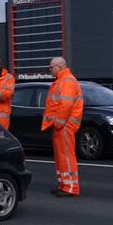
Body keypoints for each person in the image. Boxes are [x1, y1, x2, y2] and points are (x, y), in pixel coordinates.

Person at [42, 57, 84, 197]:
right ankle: (64, 184)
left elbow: (66, 105)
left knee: (65, 156)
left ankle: (70, 187)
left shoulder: (67, 81)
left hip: (65, 125)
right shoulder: (63, 80)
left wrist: (58, 123)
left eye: (51, 67)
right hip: (63, 125)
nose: (49, 70)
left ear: (59, 67)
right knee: (61, 156)